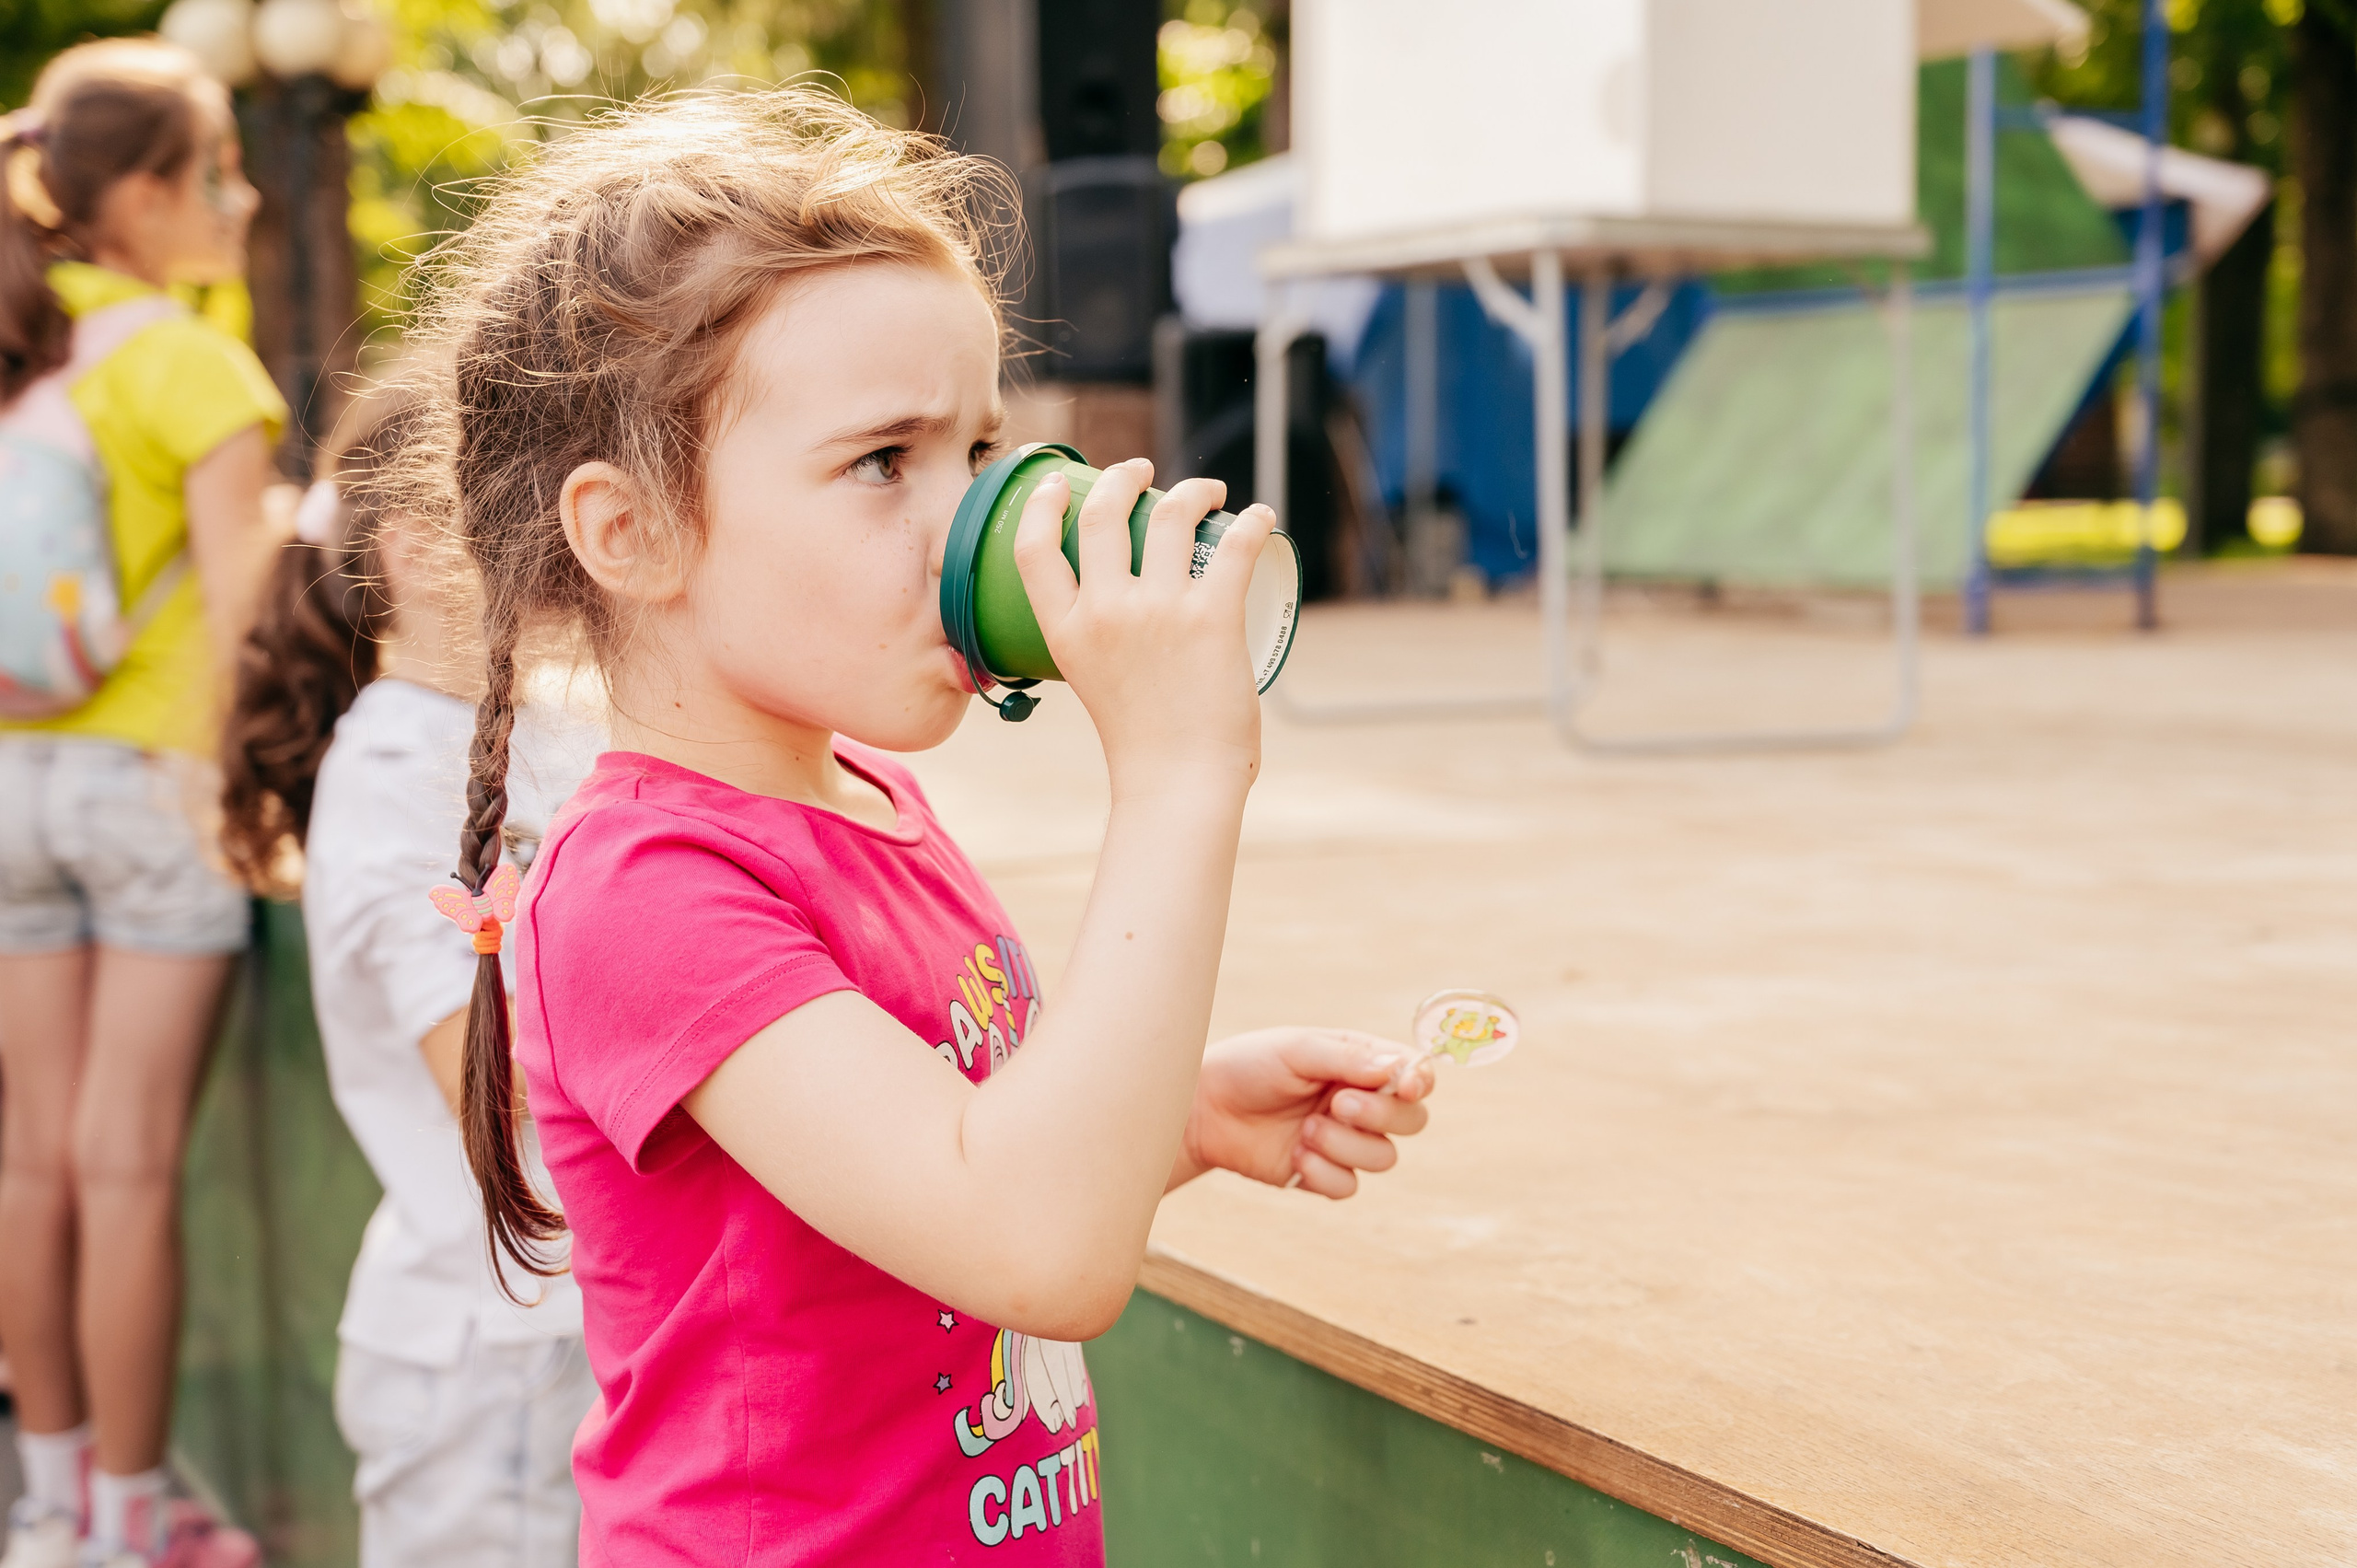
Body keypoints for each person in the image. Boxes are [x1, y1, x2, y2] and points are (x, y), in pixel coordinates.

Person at [403, 87, 1440, 1566]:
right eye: (886, 462)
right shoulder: (645, 894)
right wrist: (1179, 777)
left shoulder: (869, 800)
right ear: (630, 533)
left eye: (978, 451)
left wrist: (1179, 1113)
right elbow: (1037, 1249)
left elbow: (940, 1164)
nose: (975, 525)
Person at [215, 379, 600, 1568]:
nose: (567, 539)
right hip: (488, 1371)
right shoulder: (390, 779)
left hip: (561, 1345)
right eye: (523, 506)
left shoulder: (547, 731)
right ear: (420, 548)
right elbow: (491, 1079)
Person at [0, 38, 278, 1568]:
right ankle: (125, 1526)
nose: (239, 199)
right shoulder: (186, 361)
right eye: (220, 170)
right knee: (123, 1168)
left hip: (7, 789)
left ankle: (42, 1508)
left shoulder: (19, 338)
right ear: (152, 193)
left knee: (30, 1158)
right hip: (145, 794)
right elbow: (249, 609)